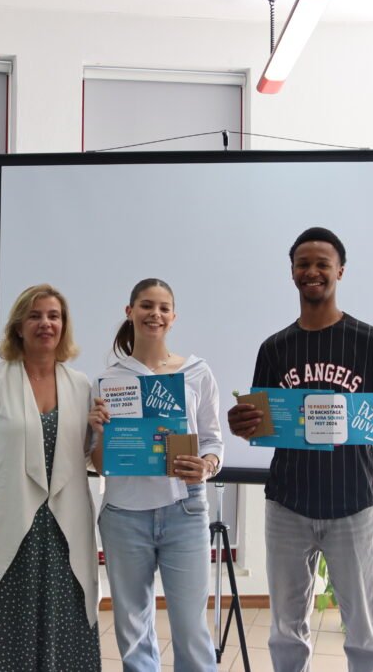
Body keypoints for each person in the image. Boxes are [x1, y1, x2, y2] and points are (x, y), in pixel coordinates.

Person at [227, 228, 373, 672]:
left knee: (364, 630)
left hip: (353, 504)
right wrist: (242, 426)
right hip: (287, 504)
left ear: (340, 271)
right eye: (303, 264)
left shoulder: (371, 341)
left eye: (322, 264)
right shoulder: (274, 348)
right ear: (292, 272)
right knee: (285, 630)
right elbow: (263, 425)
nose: (312, 271)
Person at [0, 284, 101, 672]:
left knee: (62, 631)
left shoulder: (80, 385)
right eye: (35, 316)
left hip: (61, 538)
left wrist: (102, 431)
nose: (46, 323)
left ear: (64, 325)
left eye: (54, 316)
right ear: (18, 327)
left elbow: (91, 461)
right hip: (3, 528)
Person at [88, 278, 223, 672]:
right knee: (133, 631)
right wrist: (99, 430)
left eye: (164, 308)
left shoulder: (197, 372)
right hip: (123, 516)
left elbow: (213, 441)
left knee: (191, 629)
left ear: (173, 317)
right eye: (147, 305)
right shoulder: (108, 381)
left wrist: (206, 465)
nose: (155, 314)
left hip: (185, 511)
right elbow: (100, 463)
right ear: (130, 312)